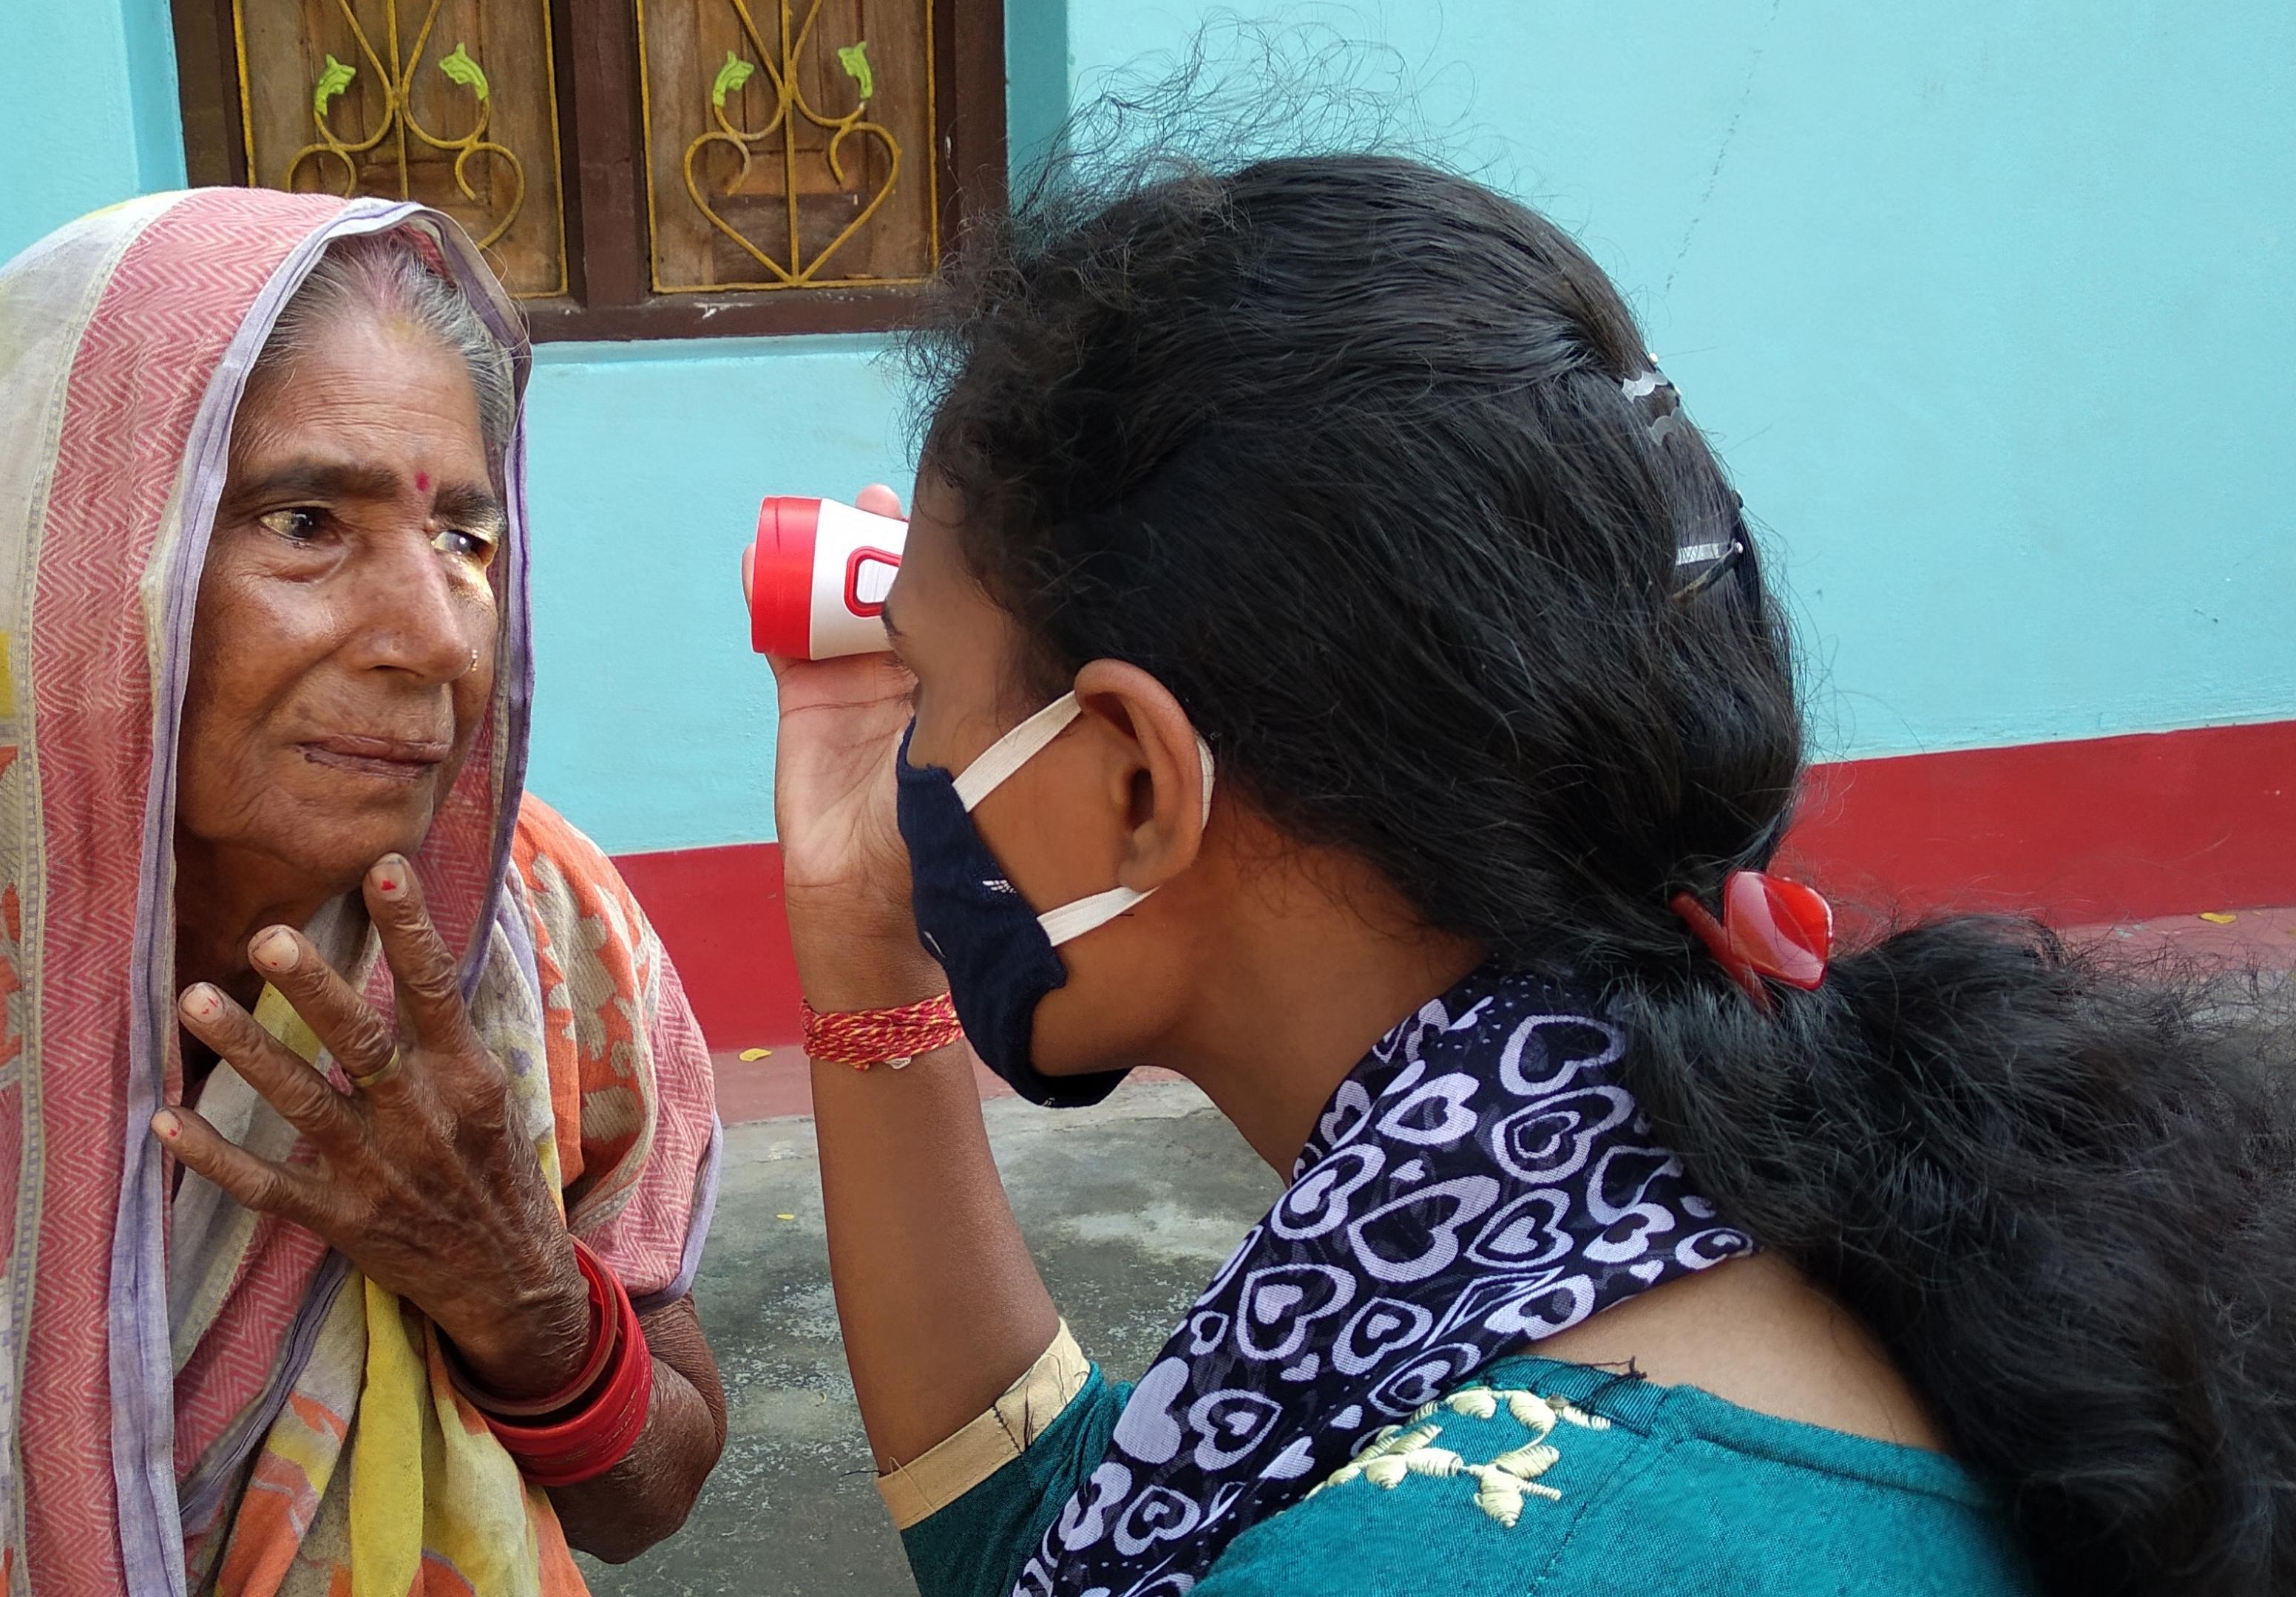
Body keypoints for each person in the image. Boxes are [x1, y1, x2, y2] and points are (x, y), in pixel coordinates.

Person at [768, 152, 2296, 1596]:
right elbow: (1081, 1539)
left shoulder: (1464, 1549)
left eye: (927, 689)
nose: (922, 766)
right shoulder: (1674, 1192)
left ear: (1135, 784)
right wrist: (859, 943)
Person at [0, 192, 724, 1597]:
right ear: (64, 559)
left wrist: (524, 1300)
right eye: (305, 522)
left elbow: (651, 1493)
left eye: (467, 541)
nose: (434, 636)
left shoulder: (540, 946)